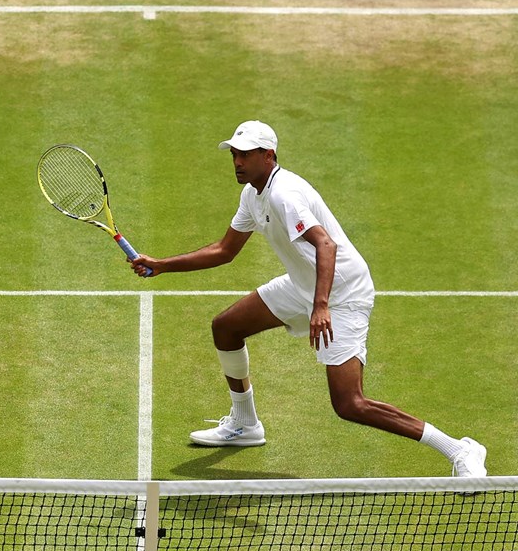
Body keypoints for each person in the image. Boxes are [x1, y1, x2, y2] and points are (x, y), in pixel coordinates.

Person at [129, 120, 486, 477]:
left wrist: (321, 307)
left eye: (246, 155)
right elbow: (225, 250)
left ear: (268, 155)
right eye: (235, 155)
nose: (238, 162)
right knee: (227, 327)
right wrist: (162, 265)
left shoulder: (285, 194)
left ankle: (459, 449)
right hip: (303, 285)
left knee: (350, 403)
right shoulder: (253, 195)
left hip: (341, 294)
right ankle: (245, 423)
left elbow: (325, 244)